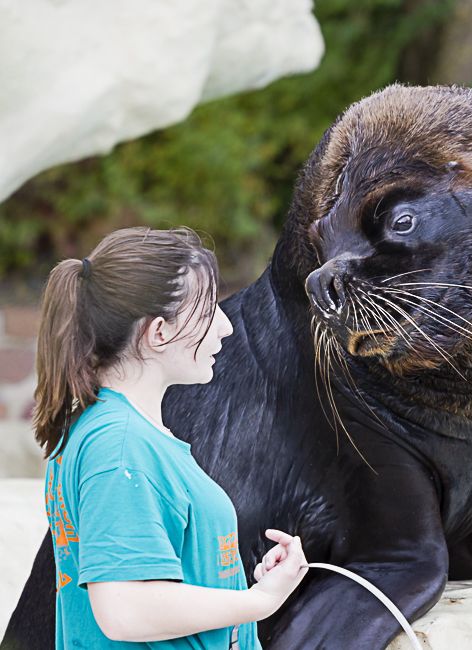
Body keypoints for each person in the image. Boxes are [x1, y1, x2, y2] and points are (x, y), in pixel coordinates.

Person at [34, 225, 308, 648]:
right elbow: (127, 610)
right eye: (207, 311)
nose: (226, 327)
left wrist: (239, 583)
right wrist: (259, 601)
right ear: (158, 332)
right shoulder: (119, 446)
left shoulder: (122, 433)